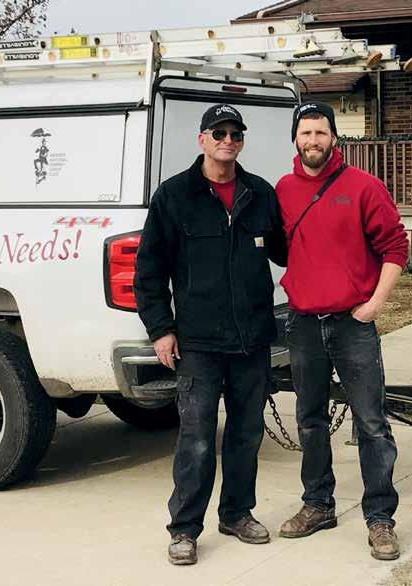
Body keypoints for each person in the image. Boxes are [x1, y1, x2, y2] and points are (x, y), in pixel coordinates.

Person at [134, 103, 287, 566]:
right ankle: (184, 528)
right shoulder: (174, 196)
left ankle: (237, 514)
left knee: (245, 434)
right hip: (198, 343)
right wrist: (161, 330)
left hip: (251, 339)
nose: (227, 140)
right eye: (218, 132)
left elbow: (287, 251)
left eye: (235, 133)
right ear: (202, 139)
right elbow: (149, 271)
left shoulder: (260, 194)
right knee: (197, 439)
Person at [275, 102, 409, 560]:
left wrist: (373, 306)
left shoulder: (363, 187)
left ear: (334, 137)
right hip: (303, 324)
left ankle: (380, 518)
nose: (312, 140)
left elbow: (395, 247)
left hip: (353, 324)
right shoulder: (284, 189)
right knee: (310, 420)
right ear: (295, 139)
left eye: (320, 132)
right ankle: (318, 505)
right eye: (305, 132)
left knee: (371, 423)